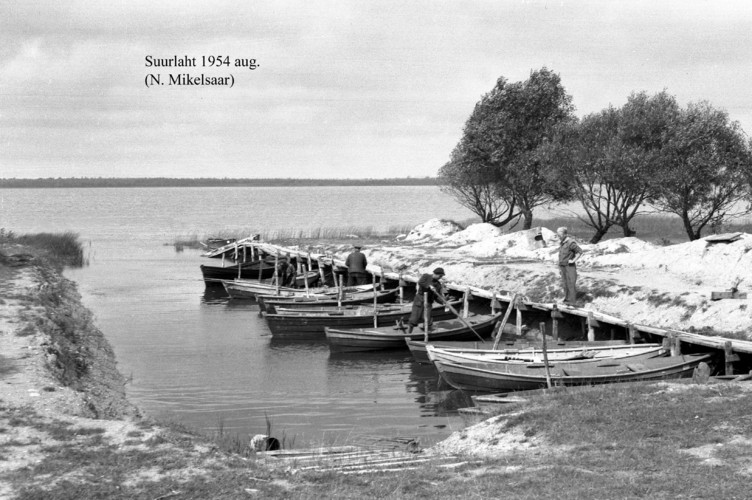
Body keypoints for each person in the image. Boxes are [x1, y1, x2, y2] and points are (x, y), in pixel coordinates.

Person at [408, 268, 446, 333]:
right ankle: (409, 333)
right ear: (435, 274)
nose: (440, 277)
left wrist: (443, 302)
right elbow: (420, 282)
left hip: (428, 301)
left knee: (427, 318)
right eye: (440, 276)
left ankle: (427, 332)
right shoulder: (426, 276)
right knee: (414, 318)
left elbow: (436, 297)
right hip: (419, 299)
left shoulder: (438, 284)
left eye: (441, 276)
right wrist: (429, 286)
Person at [557, 227, 582, 304]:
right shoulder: (562, 242)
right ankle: (567, 300)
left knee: (571, 283)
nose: (558, 236)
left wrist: (573, 260)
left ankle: (572, 302)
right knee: (565, 284)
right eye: (558, 235)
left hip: (569, 266)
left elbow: (579, 252)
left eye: (560, 234)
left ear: (565, 234)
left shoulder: (571, 243)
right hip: (562, 266)